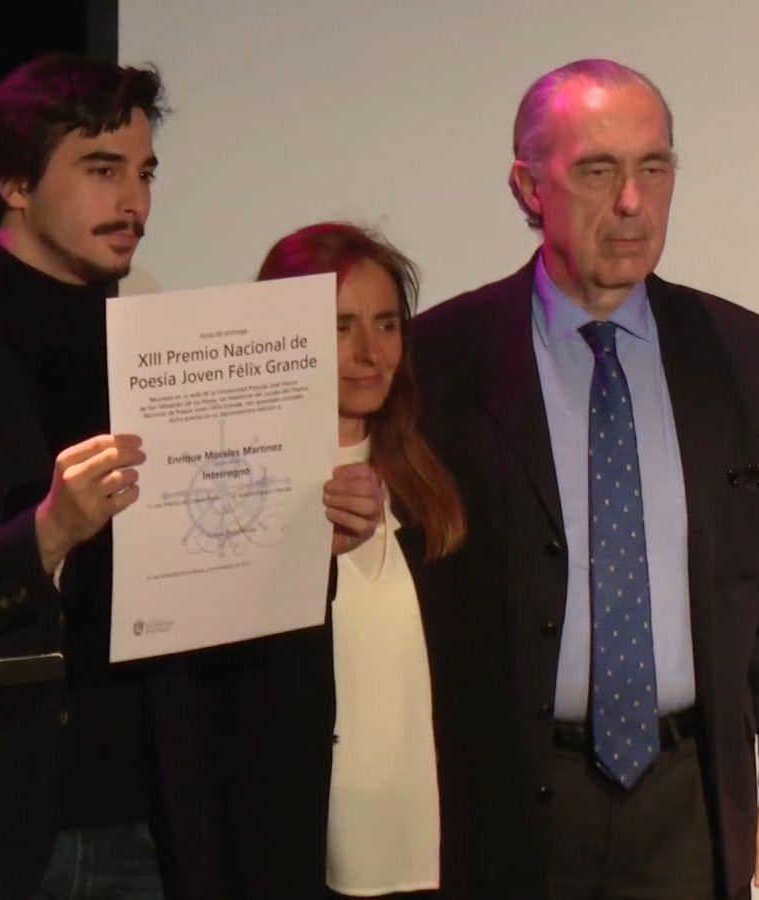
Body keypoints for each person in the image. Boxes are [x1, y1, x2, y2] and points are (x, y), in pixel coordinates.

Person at [0, 54, 363, 899]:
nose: (136, 203)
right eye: (102, 171)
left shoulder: (170, 354)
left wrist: (312, 532)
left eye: (145, 173)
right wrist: (46, 533)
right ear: (15, 182)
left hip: (157, 821)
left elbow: (219, 592)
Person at [408, 59, 759, 900]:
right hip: (507, 805)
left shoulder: (734, 348)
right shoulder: (441, 358)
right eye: (598, 172)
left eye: (655, 167)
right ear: (530, 188)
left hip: (688, 797)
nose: (632, 202)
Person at [257, 223, 465, 899]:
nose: (371, 353)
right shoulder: (246, 498)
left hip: (437, 854)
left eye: (385, 324)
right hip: (302, 852)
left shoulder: (432, 482)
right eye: (341, 326)